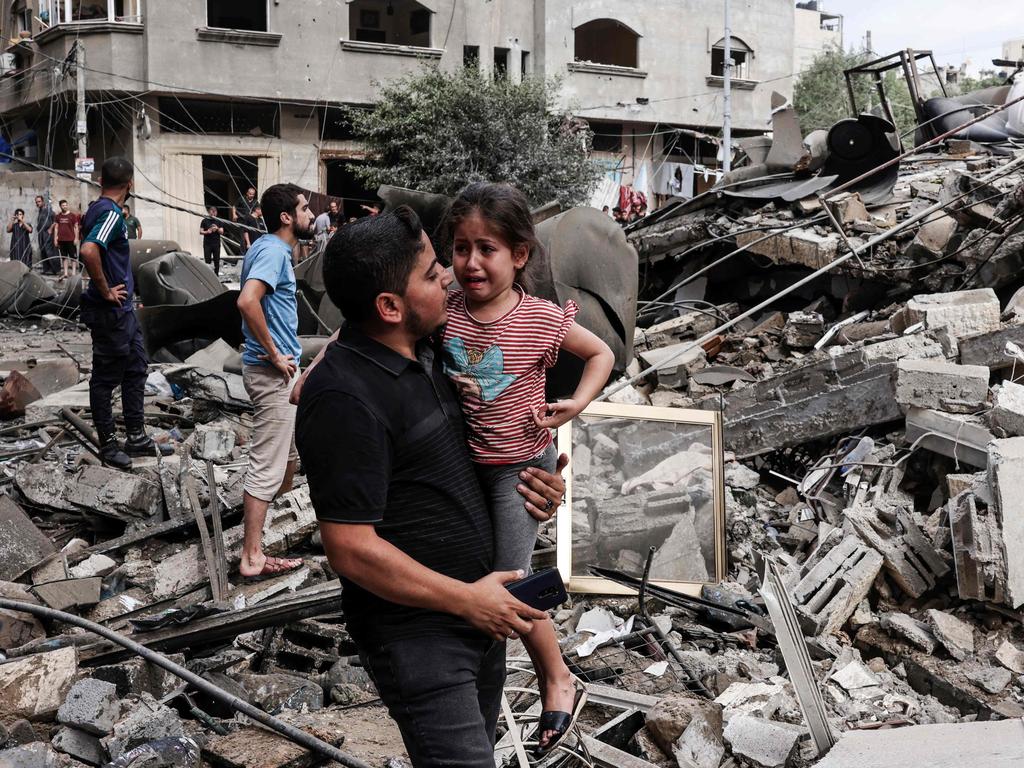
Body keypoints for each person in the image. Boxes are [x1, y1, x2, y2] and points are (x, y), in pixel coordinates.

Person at [293, 206, 568, 767]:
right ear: (389, 307)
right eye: (429, 272)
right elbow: (350, 547)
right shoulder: (344, 399)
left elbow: (490, 440)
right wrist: (466, 599)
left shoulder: (434, 348)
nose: (448, 275)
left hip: (481, 613)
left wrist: (538, 483)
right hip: (420, 636)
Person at [441, 182, 614, 754]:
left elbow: (601, 354)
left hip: (521, 468)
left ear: (519, 255)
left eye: (486, 249)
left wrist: (579, 402)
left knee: (508, 581)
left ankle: (555, 677)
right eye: (461, 248)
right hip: (467, 463)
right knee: (485, 577)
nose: (471, 263)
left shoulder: (540, 318)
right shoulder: (444, 310)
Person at [236, 184, 314, 577]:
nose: (310, 215)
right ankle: (252, 556)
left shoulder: (272, 249)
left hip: (279, 371)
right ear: (287, 217)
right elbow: (247, 301)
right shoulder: (271, 250)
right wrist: (272, 353)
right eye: (304, 208)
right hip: (271, 373)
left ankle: (259, 532)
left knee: (287, 464)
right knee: (268, 465)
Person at [78, 157, 161, 469]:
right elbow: (89, 250)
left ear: (101, 180)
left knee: (137, 366)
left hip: (123, 312)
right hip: (110, 312)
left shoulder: (97, 209)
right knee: (104, 378)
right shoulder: (111, 213)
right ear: (130, 185)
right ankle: (109, 445)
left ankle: (137, 437)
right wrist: (105, 289)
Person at [53, 199, 81, 278]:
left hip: (71, 240)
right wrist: (55, 239)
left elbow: (76, 227)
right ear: (60, 206)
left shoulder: (72, 216)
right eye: (63, 205)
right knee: (64, 257)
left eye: (66, 205)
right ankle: (65, 273)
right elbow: (56, 228)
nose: (65, 207)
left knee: (73, 257)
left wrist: (76, 238)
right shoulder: (58, 216)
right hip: (61, 240)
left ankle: (74, 273)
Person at [35, 196, 59, 275]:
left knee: (49, 251)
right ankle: (46, 269)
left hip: (47, 233)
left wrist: (51, 229)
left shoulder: (49, 210)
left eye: (39, 201)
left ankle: (54, 269)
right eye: (36, 202)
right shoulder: (40, 211)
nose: (37, 203)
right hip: (41, 234)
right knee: (43, 251)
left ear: (43, 202)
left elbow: (55, 221)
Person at [200, 205, 224, 275]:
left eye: (215, 211)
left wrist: (217, 228)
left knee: (217, 260)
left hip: (216, 244)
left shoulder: (219, 221)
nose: (213, 213)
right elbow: (201, 231)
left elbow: (222, 232)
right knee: (207, 260)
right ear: (209, 212)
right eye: (212, 211)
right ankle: (208, 275)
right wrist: (207, 231)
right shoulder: (204, 221)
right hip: (207, 244)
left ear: (216, 212)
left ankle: (216, 275)